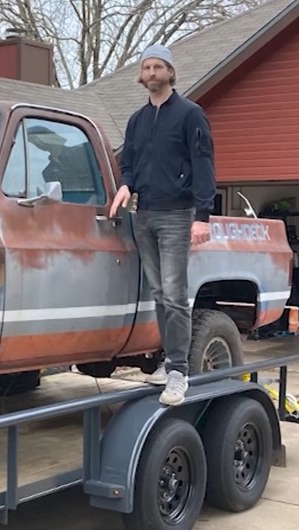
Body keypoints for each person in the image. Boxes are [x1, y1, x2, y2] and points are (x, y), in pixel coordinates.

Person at [109, 43, 216, 406]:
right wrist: (126, 185)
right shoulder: (137, 120)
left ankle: (178, 373)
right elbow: (130, 163)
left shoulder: (190, 114)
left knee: (174, 295)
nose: (152, 73)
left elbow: (203, 165)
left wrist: (202, 216)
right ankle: (167, 362)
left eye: (158, 67)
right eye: (147, 67)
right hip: (145, 214)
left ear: (170, 72)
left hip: (177, 215)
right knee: (158, 294)